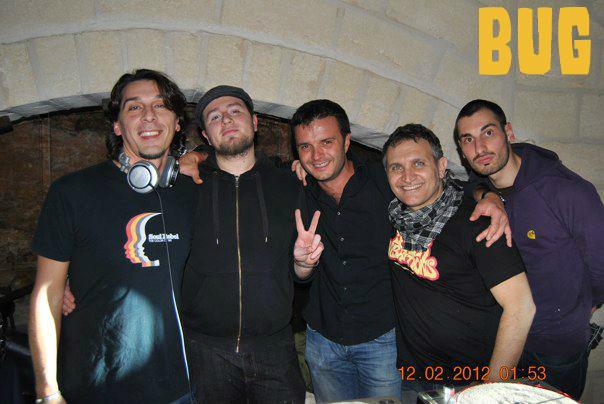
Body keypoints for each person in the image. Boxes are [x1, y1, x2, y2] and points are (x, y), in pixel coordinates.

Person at [288, 100, 513, 402]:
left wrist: (489, 194)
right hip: (323, 341)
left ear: (346, 141)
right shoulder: (297, 189)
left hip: (383, 342)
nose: (316, 156)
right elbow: (300, 275)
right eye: (305, 147)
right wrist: (303, 265)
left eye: (326, 142)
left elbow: (443, 186)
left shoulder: (386, 180)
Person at [28, 69, 196, 403]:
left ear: (177, 122)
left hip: (181, 390)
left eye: (161, 105)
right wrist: (47, 390)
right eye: (134, 107)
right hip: (95, 388)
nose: (149, 115)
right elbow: (47, 295)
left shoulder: (194, 190)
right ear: (117, 126)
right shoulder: (72, 192)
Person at [180, 85, 322, 403]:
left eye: (235, 111)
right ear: (205, 135)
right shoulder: (187, 187)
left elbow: (301, 274)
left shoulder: (290, 184)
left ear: (255, 122)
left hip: (275, 348)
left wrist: (304, 263)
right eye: (215, 117)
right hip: (205, 350)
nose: (226, 120)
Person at [454, 99, 604, 400]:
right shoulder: (483, 185)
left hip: (555, 350)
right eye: (468, 140)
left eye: (488, 133)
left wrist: (584, 305)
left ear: (508, 132)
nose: (480, 148)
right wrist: (488, 195)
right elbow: (469, 186)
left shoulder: (567, 191)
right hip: (503, 341)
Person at [383, 124, 535, 400]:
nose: (407, 176)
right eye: (396, 167)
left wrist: (491, 389)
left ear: (441, 166)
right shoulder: (394, 216)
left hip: (472, 380)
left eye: (418, 163)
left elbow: (521, 307)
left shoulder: (477, 223)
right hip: (414, 375)